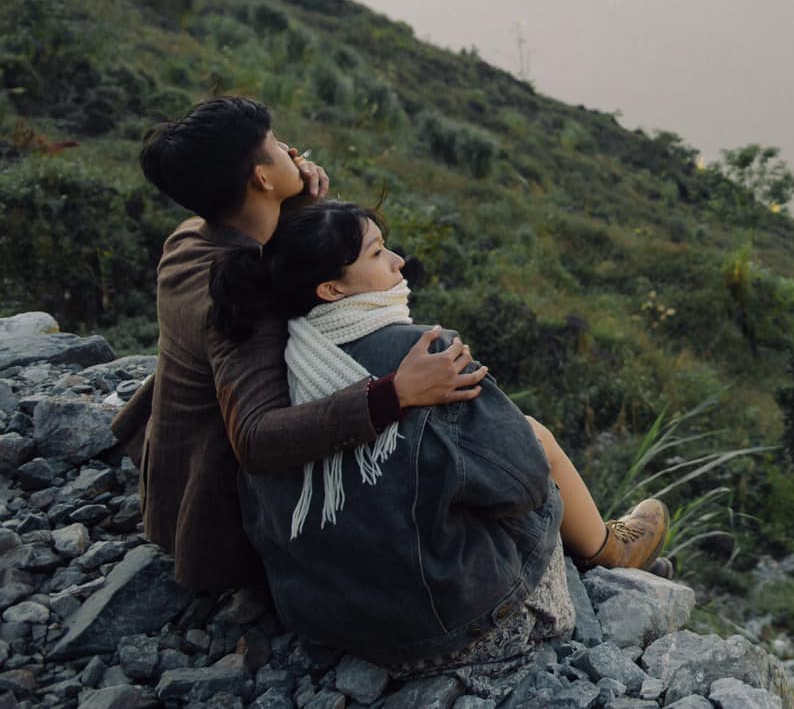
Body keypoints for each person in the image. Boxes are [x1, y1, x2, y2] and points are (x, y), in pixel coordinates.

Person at [213, 200, 663, 673]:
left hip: (326, 619)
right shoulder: (428, 355)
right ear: (331, 288)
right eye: (377, 252)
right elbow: (525, 482)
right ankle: (607, 548)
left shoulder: (275, 371)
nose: (398, 261)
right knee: (533, 441)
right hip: (449, 626)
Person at [113, 95, 487, 591]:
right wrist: (394, 394)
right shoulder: (240, 300)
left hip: (169, 486)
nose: (293, 152)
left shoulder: (190, 239)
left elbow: (271, 241)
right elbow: (255, 437)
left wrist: (297, 200)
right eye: (278, 146)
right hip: (220, 523)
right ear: (260, 177)